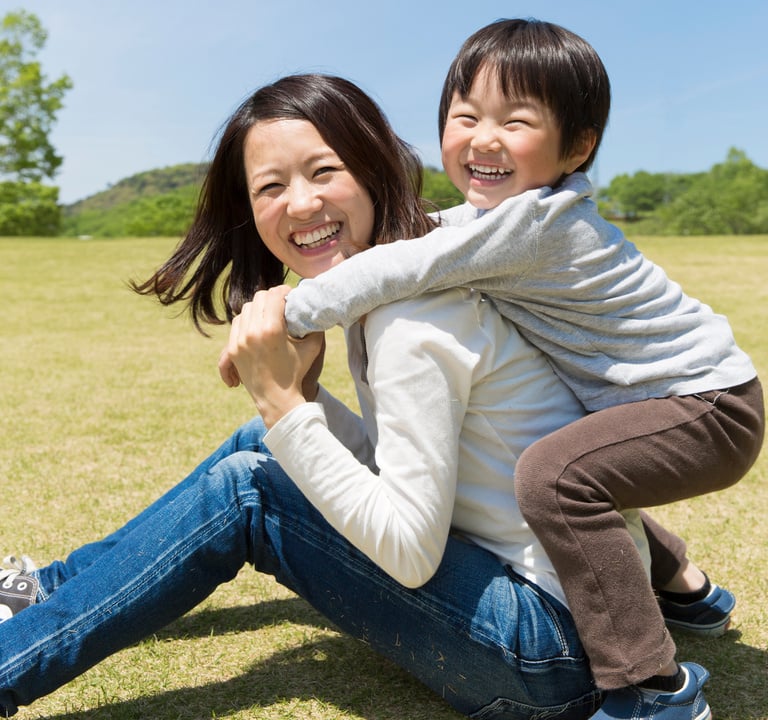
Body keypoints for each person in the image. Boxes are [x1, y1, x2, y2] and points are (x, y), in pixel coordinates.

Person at [0, 72, 674, 720]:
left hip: (555, 653)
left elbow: (410, 552)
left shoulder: (415, 321)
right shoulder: (398, 288)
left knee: (253, 487)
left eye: (324, 172)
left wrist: (285, 406)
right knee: (262, 450)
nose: (300, 204)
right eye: (270, 187)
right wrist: (304, 406)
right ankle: (40, 590)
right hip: (555, 609)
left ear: (376, 168)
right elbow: (418, 469)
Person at [278, 21, 765, 720]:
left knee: (557, 477)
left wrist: (295, 315)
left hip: (707, 408)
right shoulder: (504, 221)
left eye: (516, 121)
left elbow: (413, 262)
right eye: (466, 115)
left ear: (577, 146)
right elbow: (434, 234)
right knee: (579, 452)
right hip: (690, 398)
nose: (483, 138)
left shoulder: (539, 225)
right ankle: (688, 589)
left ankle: (652, 689)